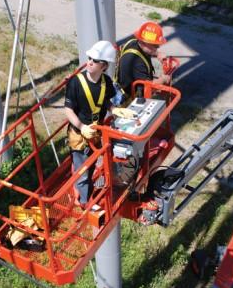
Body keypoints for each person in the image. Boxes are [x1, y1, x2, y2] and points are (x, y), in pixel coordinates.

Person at [65, 40, 117, 209]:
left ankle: (86, 193)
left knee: (92, 164)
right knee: (83, 170)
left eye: (94, 61)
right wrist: (81, 127)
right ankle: (85, 203)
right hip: (79, 134)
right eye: (89, 58)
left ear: (104, 66)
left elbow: (107, 101)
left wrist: (114, 110)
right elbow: (68, 111)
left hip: (95, 132)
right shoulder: (75, 83)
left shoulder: (106, 83)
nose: (89, 62)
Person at [115, 21, 171, 103]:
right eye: (155, 45)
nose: (158, 47)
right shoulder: (137, 62)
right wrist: (163, 79)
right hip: (127, 98)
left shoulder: (133, 42)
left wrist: (157, 53)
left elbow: (147, 49)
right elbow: (150, 86)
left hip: (120, 86)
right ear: (145, 42)